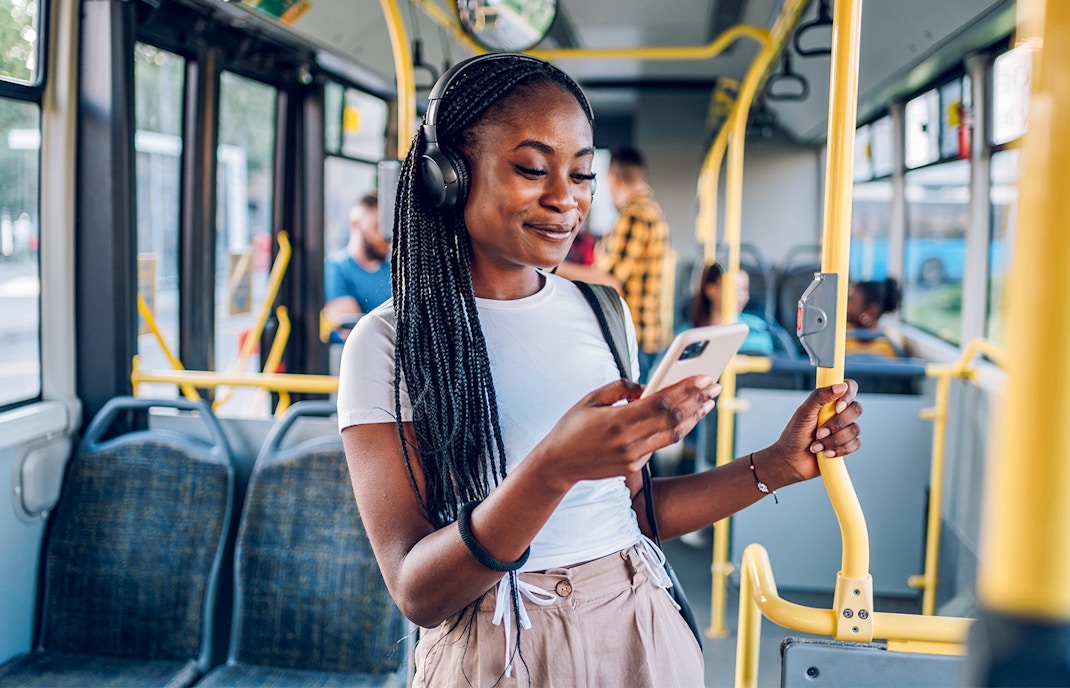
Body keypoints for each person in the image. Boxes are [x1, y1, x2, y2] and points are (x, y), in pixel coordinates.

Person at [337, 52, 863, 687]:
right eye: (532, 169)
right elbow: (417, 592)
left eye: (583, 175)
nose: (565, 199)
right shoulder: (388, 342)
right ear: (448, 177)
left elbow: (634, 516)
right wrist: (552, 469)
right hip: (499, 638)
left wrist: (775, 465)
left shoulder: (602, 311)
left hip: (637, 618)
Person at [323, 192, 391, 342]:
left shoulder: (393, 272)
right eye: (377, 227)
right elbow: (353, 332)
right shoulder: (336, 269)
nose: (385, 237)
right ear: (356, 224)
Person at [690, 261, 775, 355]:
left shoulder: (758, 329)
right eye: (734, 289)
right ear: (711, 290)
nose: (742, 297)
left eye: (745, 289)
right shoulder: (689, 336)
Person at [845, 277, 903, 359]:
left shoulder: (889, 346)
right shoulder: (841, 334)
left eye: (851, 300)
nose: (845, 305)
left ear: (871, 311)